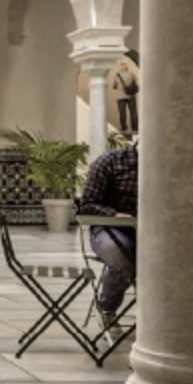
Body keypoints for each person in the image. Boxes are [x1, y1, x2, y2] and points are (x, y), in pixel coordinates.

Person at [78, 134, 138, 327]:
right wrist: (114, 215)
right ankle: (107, 307)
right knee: (122, 254)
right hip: (108, 228)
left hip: (153, 231)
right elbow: (86, 204)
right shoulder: (110, 162)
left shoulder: (169, 166)